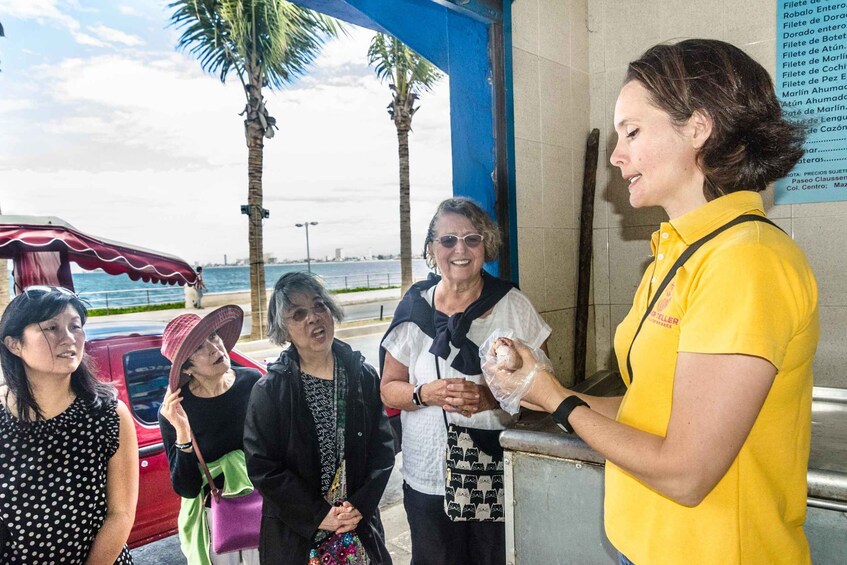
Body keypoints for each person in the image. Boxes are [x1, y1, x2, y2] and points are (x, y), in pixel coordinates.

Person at [489, 39, 818, 565]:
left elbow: (687, 474)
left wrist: (559, 403)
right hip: (645, 546)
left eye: (633, 131)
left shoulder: (746, 261)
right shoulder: (675, 255)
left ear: (697, 128)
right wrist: (539, 387)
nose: (616, 156)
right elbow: (650, 411)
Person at [379, 197, 551, 565]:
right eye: (448, 240)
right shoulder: (414, 308)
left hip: (492, 468)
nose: (460, 249)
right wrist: (423, 394)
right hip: (426, 475)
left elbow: (547, 381)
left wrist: (489, 397)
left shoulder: (513, 305)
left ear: (486, 246)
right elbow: (389, 387)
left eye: (472, 239)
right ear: (431, 249)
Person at [244, 272, 395, 564]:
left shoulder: (362, 376)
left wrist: (360, 506)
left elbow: (383, 449)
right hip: (297, 538)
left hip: (357, 528)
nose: (313, 318)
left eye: (319, 306)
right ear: (284, 330)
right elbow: (263, 467)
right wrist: (319, 515)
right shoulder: (271, 390)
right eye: (298, 314)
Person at [0, 286, 138, 563]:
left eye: (75, 326)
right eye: (51, 328)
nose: (69, 338)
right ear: (14, 344)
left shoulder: (109, 414)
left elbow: (120, 514)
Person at [158, 305, 262, 565]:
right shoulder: (177, 410)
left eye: (214, 337)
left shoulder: (252, 382)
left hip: (265, 502)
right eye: (199, 348)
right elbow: (187, 487)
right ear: (187, 368)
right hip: (215, 518)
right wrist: (183, 432)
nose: (215, 348)